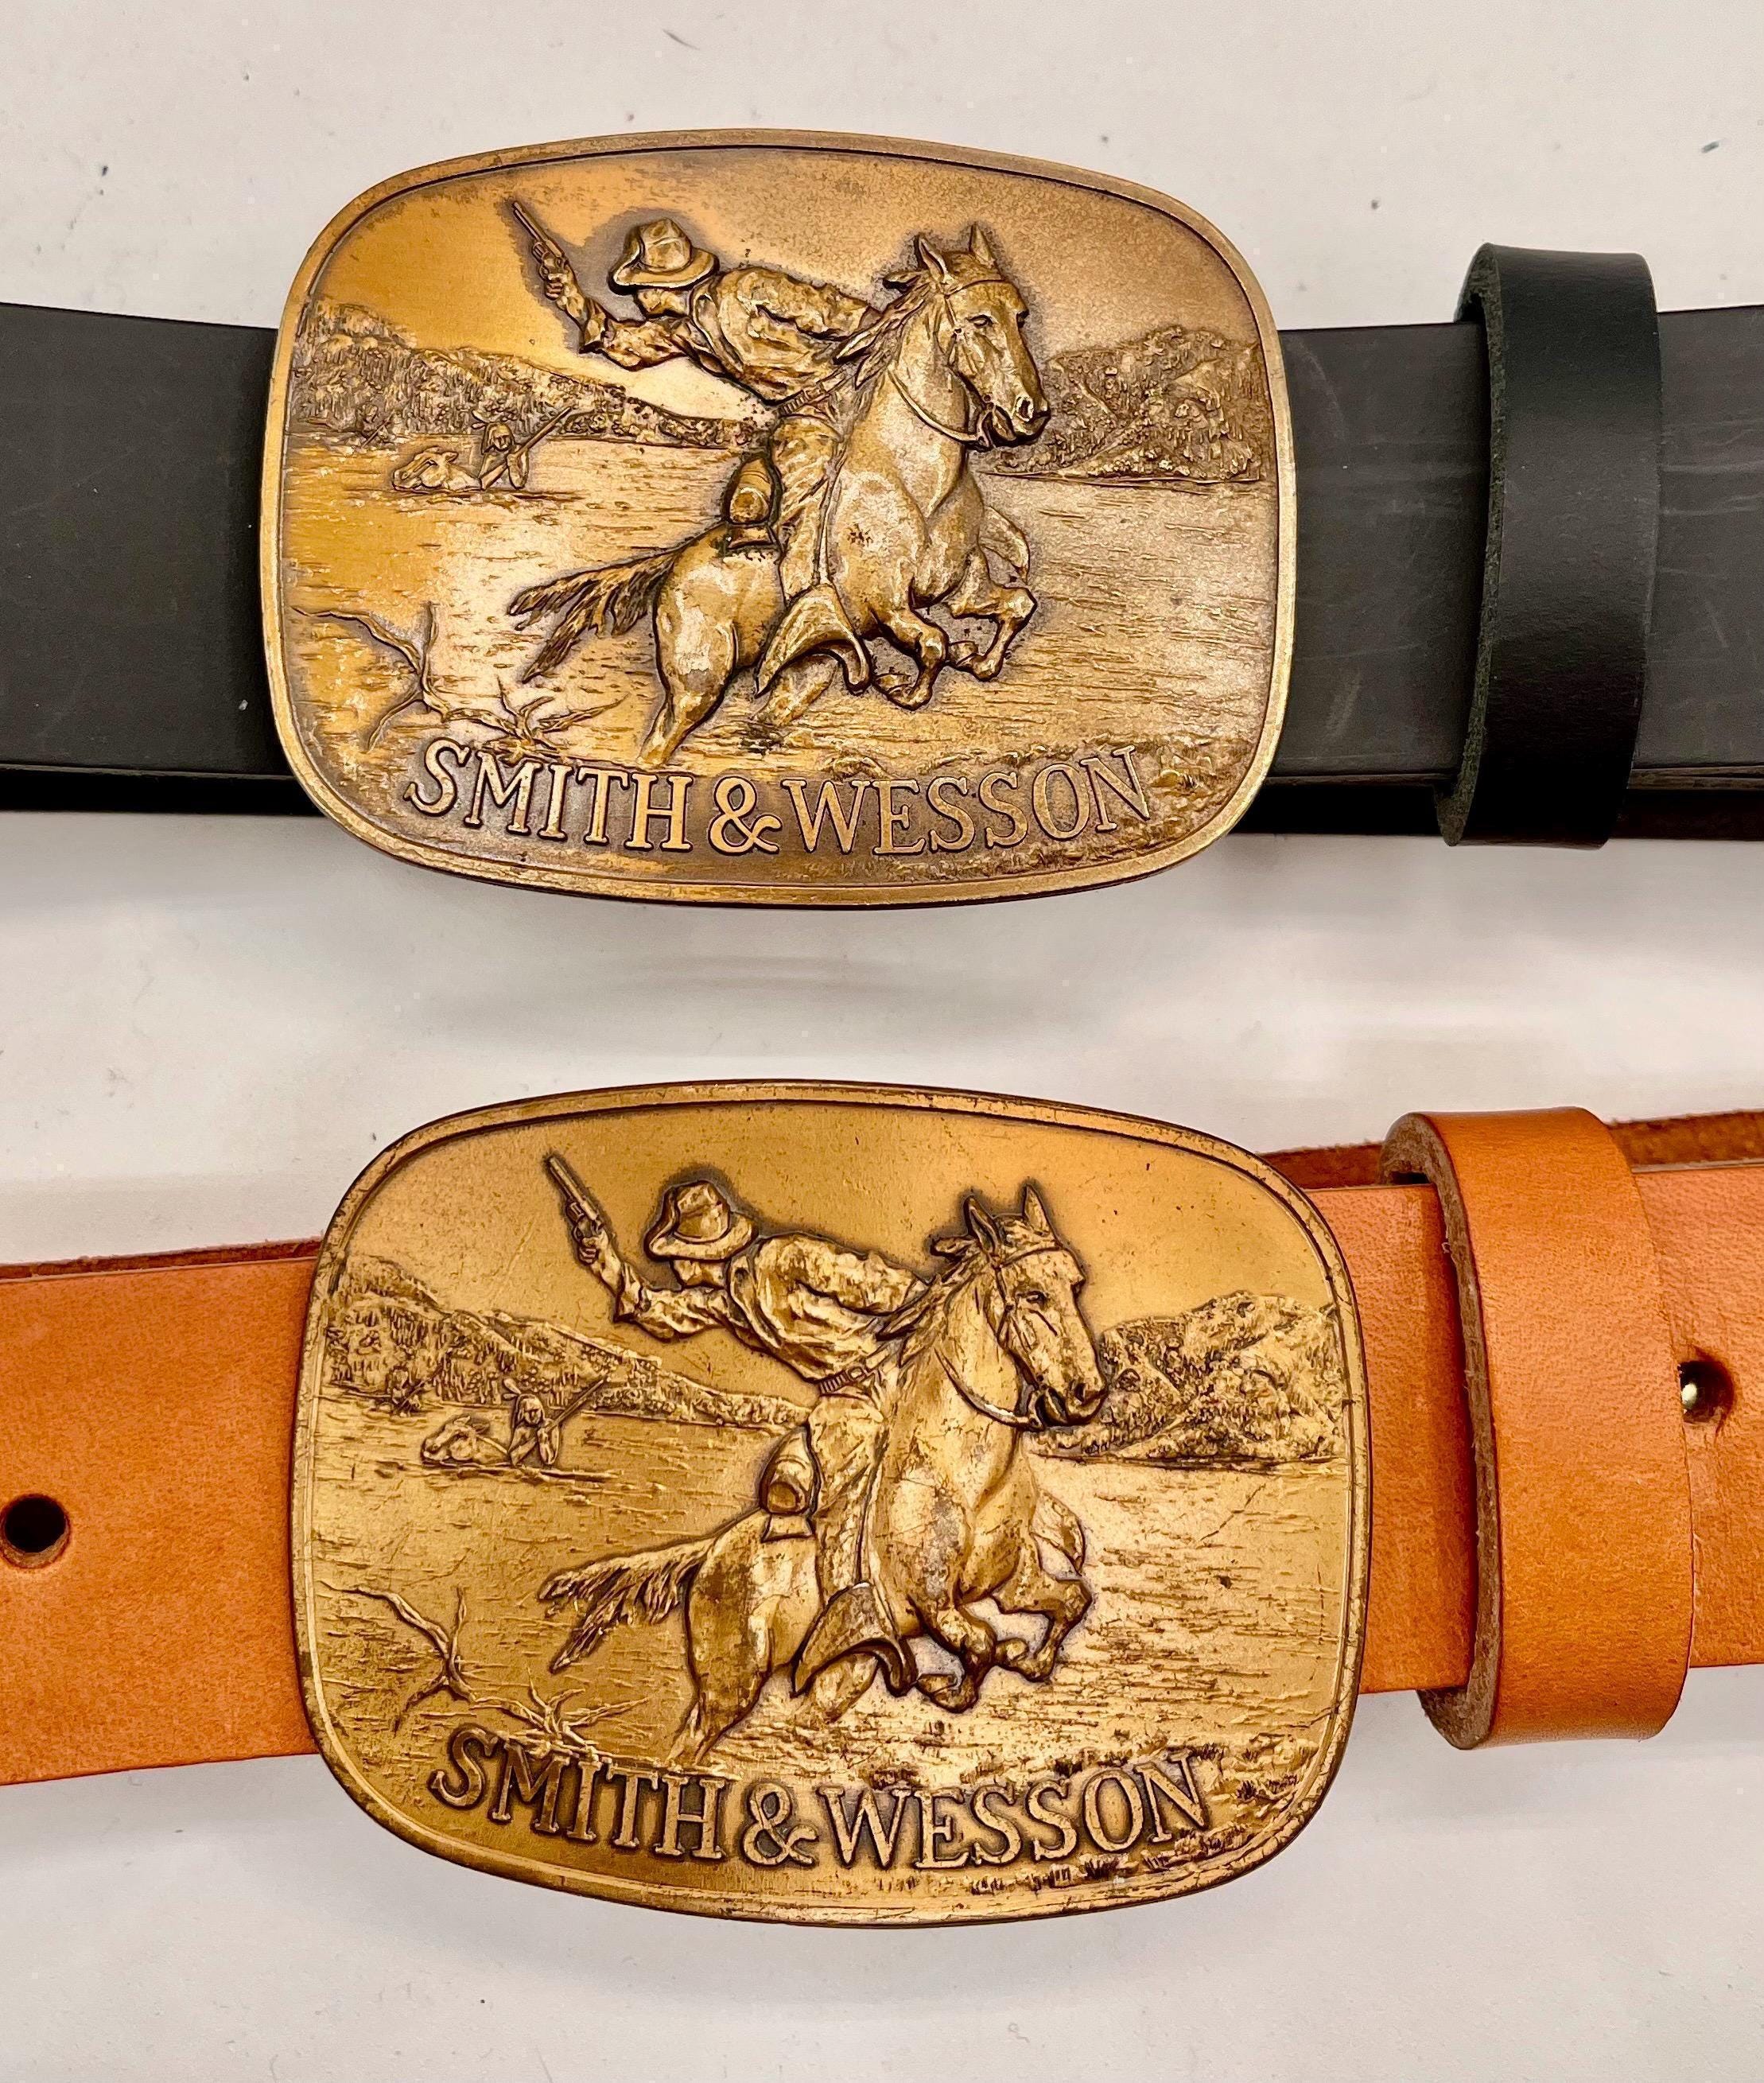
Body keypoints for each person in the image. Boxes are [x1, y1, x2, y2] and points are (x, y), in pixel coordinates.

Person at [569, 1178, 920, 1611]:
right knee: (785, 1487)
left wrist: (928, 1322)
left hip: (893, 1374)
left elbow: (879, 1285)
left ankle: (854, 1608)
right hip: (843, 1400)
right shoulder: (726, 1303)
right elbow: (658, 1311)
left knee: (841, 1503)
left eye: (677, 1254)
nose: (675, 1268)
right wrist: (604, 1260)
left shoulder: (785, 1257)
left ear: (696, 1256)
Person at [533, 216, 875, 557]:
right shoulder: (684, 331)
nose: (635, 295)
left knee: (801, 506)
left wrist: (885, 332)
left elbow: (833, 311)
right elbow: (627, 344)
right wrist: (571, 296)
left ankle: (813, 578)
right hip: (801, 417)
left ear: (658, 286)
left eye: (638, 284)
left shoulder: (746, 286)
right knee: (749, 501)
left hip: (851, 393)